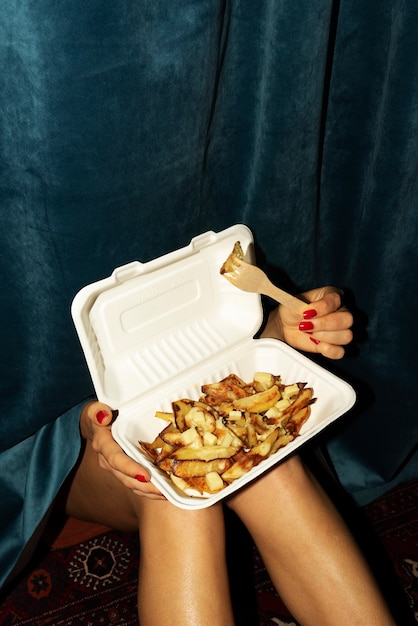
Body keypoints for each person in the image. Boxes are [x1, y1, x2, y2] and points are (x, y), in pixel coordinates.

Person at [58, 286, 395, 626]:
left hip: (198, 388)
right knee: (179, 501)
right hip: (63, 442)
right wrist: (86, 426)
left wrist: (272, 334)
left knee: (271, 468)